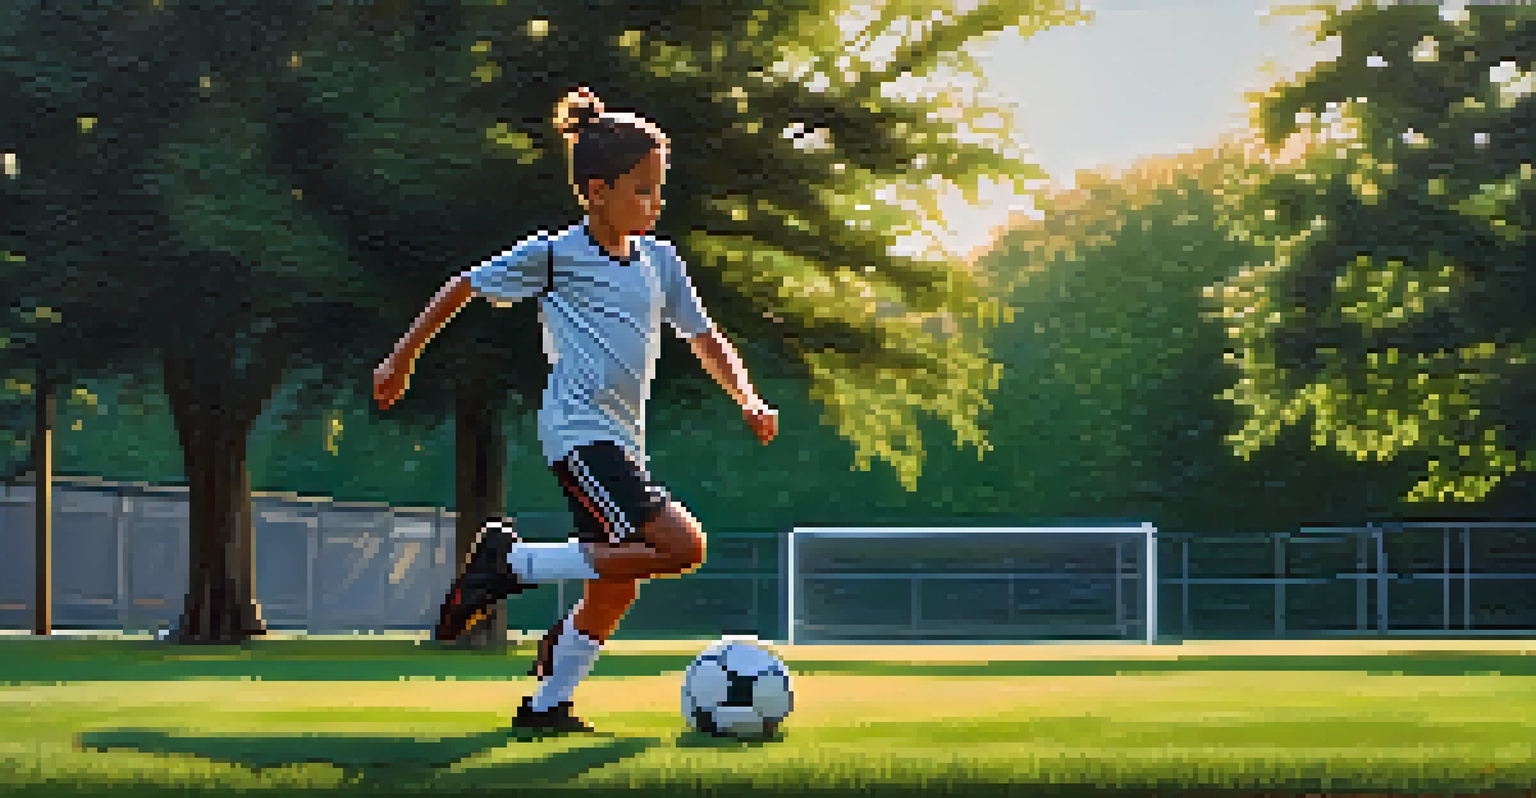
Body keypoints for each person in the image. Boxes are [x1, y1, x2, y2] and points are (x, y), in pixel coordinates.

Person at [372, 86, 778, 735]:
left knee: (615, 584)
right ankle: (514, 565)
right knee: (681, 546)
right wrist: (402, 359)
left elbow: (706, 339)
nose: (655, 202)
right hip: (581, 435)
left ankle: (545, 707)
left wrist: (748, 398)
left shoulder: (660, 261)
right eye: (641, 190)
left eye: (658, 189)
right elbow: (462, 287)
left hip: (622, 440)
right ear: (595, 191)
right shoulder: (556, 255)